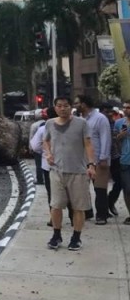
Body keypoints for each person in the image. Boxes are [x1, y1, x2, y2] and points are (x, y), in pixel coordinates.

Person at [42, 96, 97, 251]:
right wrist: (48, 153)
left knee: (78, 207)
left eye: (66, 106)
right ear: (55, 108)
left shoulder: (81, 123)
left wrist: (91, 165)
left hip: (78, 172)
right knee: (56, 205)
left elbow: (88, 144)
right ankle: (56, 235)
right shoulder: (49, 123)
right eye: (59, 106)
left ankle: (76, 237)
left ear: (71, 107)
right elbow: (45, 141)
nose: (63, 109)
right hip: (56, 171)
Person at [74, 94, 112, 224]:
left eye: (77, 103)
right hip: (83, 160)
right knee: (83, 189)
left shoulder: (100, 118)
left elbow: (105, 138)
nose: (75, 106)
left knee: (99, 189)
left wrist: (103, 158)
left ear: (84, 104)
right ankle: (87, 212)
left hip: (98, 160)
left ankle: (102, 215)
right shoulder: (79, 119)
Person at [30, 106, 57, 224]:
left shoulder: (42, 128)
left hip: (48, 165)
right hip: (67, 165)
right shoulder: (69, 126)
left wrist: (44, 152)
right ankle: (73, 217)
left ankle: (53, 218)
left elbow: (35, 146)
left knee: (51, 192)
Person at [102, 103, 123, 216]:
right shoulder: (99, 124)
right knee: (101, 187)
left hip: (115, 157)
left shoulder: (115, 124)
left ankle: (110, 201)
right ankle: (103, 209)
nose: (110, 114)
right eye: (107, 112)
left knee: (119, 182)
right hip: (101, 158)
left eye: (112, 112)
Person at [113, 100, 130, 224]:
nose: (125, 109)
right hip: (125, 160)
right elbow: (114, 141)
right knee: (127, 189)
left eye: (128, 107)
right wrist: (120, 136)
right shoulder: (119, 123)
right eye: (124, 107)